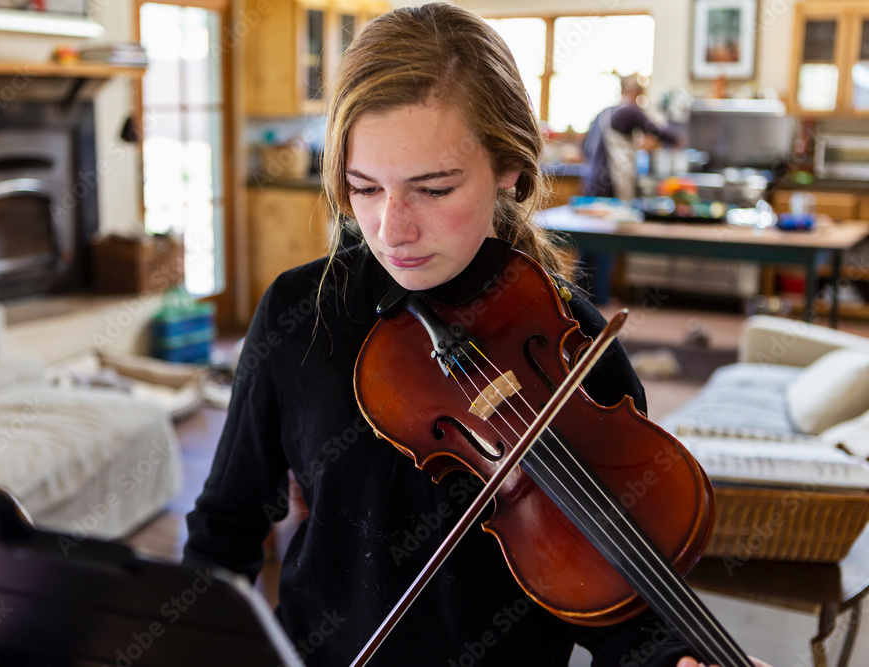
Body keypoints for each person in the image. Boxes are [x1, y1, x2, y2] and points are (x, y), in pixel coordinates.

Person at [184, 4, 767, 666]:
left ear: (510, 167)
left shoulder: (573, 344)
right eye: (364, 187)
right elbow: (222, 531)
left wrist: (672, 658)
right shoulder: (299, 314)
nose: (391, 228)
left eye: (432, 189)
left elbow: (623, 608)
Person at [578, 74, 685, 303]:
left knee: (588, 243)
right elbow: (663, 133)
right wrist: (678, 140)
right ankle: (600, 299)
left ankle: (579, 299)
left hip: (590, 184)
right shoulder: (630, 110)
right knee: (606, 242)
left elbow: (584, 146)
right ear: (637, 93)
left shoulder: (603, 113)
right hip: (610, 187)